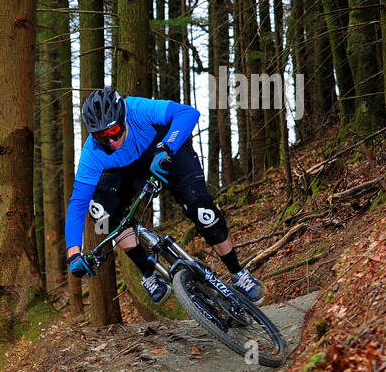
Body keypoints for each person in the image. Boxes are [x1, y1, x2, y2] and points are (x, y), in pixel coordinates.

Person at [63, 87, 265, 306]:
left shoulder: (137, 109)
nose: (111, 141)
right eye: (102, 136)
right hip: (127, 170)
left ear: (123, 117)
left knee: (200, 208)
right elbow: (77, 203)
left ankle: (238, 273)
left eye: (114, 131)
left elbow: (188, 113)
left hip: (167, 150)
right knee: (99, 210)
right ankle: (149, 273)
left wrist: (167, 148)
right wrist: (74, 254)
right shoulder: (92, 153)